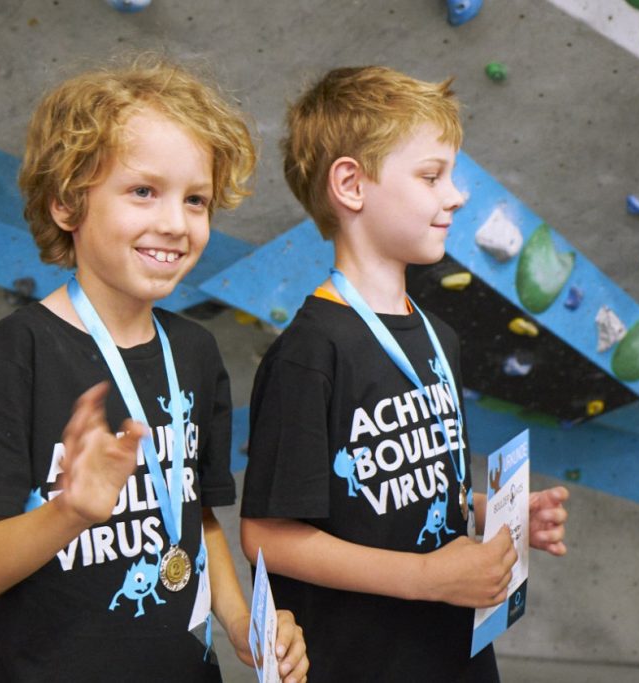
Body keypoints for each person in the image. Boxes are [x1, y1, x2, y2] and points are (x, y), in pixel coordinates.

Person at [0, 56, 308, 683]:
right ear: (66, 205)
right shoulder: (18, 351)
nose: (174, 222)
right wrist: (70, 512)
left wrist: (244, 619)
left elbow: (197, 519)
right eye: (143, 190)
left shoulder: (194, 351)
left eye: (196, 200)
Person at [239, 65, 569, 683]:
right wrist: (425, 578)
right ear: (351, 185)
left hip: (456, 657)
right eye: (431, 175)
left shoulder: (439, 337)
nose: (456, 195)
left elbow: (400, 492)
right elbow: (265, 535)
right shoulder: (311, 353)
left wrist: (490, 513)